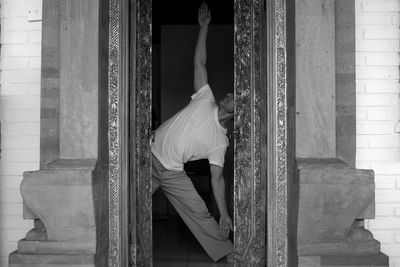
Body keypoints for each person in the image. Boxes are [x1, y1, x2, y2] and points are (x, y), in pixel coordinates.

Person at [151, 2, 234, 263]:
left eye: (234, 97)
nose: (230, 93)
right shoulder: (205, 98)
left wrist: (225, 212)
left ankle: (228, 252)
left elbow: (217, 179)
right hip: (148, 153)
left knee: (200, 211)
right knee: (124, 200)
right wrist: (204, 28)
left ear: (237, 112)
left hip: (173, 172)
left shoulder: (220, 141)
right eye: (231, 93)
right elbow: (199, 62)